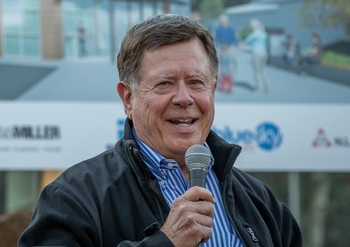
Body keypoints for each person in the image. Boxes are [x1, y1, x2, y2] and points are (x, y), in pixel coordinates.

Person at [18, 14, 302, 246]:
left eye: (196, 82)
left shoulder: (260, 202)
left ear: (213, 89)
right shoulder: (73, 198)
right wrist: (166, 242)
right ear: (128, 98)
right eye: (164, 83)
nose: (184, 98)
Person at [244, 18, 269, 93]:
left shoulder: (254, 34)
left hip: (256, 53)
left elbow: (247, 40)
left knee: (257, 71)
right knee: (262, 70)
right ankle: (265, 87)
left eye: (251, 25)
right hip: (264, 53)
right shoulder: (264, 33)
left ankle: (260, 89)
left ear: (253, 26)